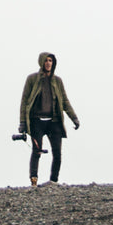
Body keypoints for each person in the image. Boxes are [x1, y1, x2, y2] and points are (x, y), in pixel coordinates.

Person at [18, 52, 79, 188]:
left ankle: (53, 181)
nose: (48, 63)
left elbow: (64, 101)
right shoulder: (32, 79)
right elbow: (25, 101)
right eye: (46, 60)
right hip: (36, 121)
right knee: (37, 151)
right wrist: (22, 122)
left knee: (57, 152)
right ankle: (34, 180)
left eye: (50, 60)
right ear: (41, 62)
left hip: (54, 121)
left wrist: (73, 118)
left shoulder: (58, 81)